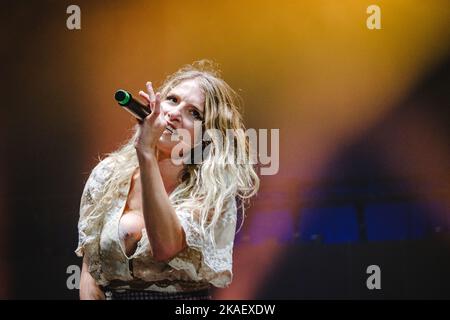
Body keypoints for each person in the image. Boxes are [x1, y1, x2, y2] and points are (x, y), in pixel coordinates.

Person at [75, 61, 260, 300]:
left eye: (194, 113)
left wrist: (146, 152)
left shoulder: (211, 190)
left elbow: (166, 246)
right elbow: (90, 276)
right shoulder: (107, 175)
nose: (174, 114)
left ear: (207, 137)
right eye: (172, 100)